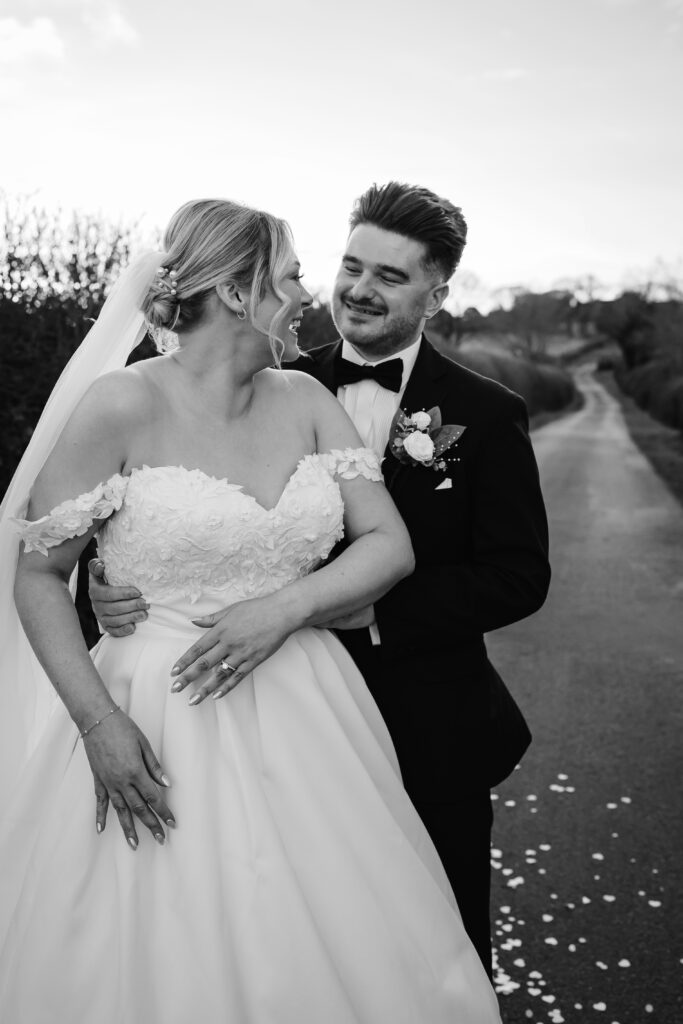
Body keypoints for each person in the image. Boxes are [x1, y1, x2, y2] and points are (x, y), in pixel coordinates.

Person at [0, 198, 501, 1022]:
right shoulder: (120, 404)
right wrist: (98, 724)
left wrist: (287, 607)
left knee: (334, 933)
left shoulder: (304, 399)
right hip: (151, 710)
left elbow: (388, 542)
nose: (309, 293)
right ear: (238, 293)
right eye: (294, 273)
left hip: (309, 713)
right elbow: (36, 575)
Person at [90, 182, 550, 976]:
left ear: (436, 295)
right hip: (246, 712)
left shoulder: (488, 410)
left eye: (390, 277)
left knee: (434, 949)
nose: (356, 290)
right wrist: (108, 583)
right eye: (349, 265)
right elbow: (146, 520)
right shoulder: (268, 379)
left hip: (425, 718)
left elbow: (517, 576)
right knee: (251, 933)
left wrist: (360, 615)